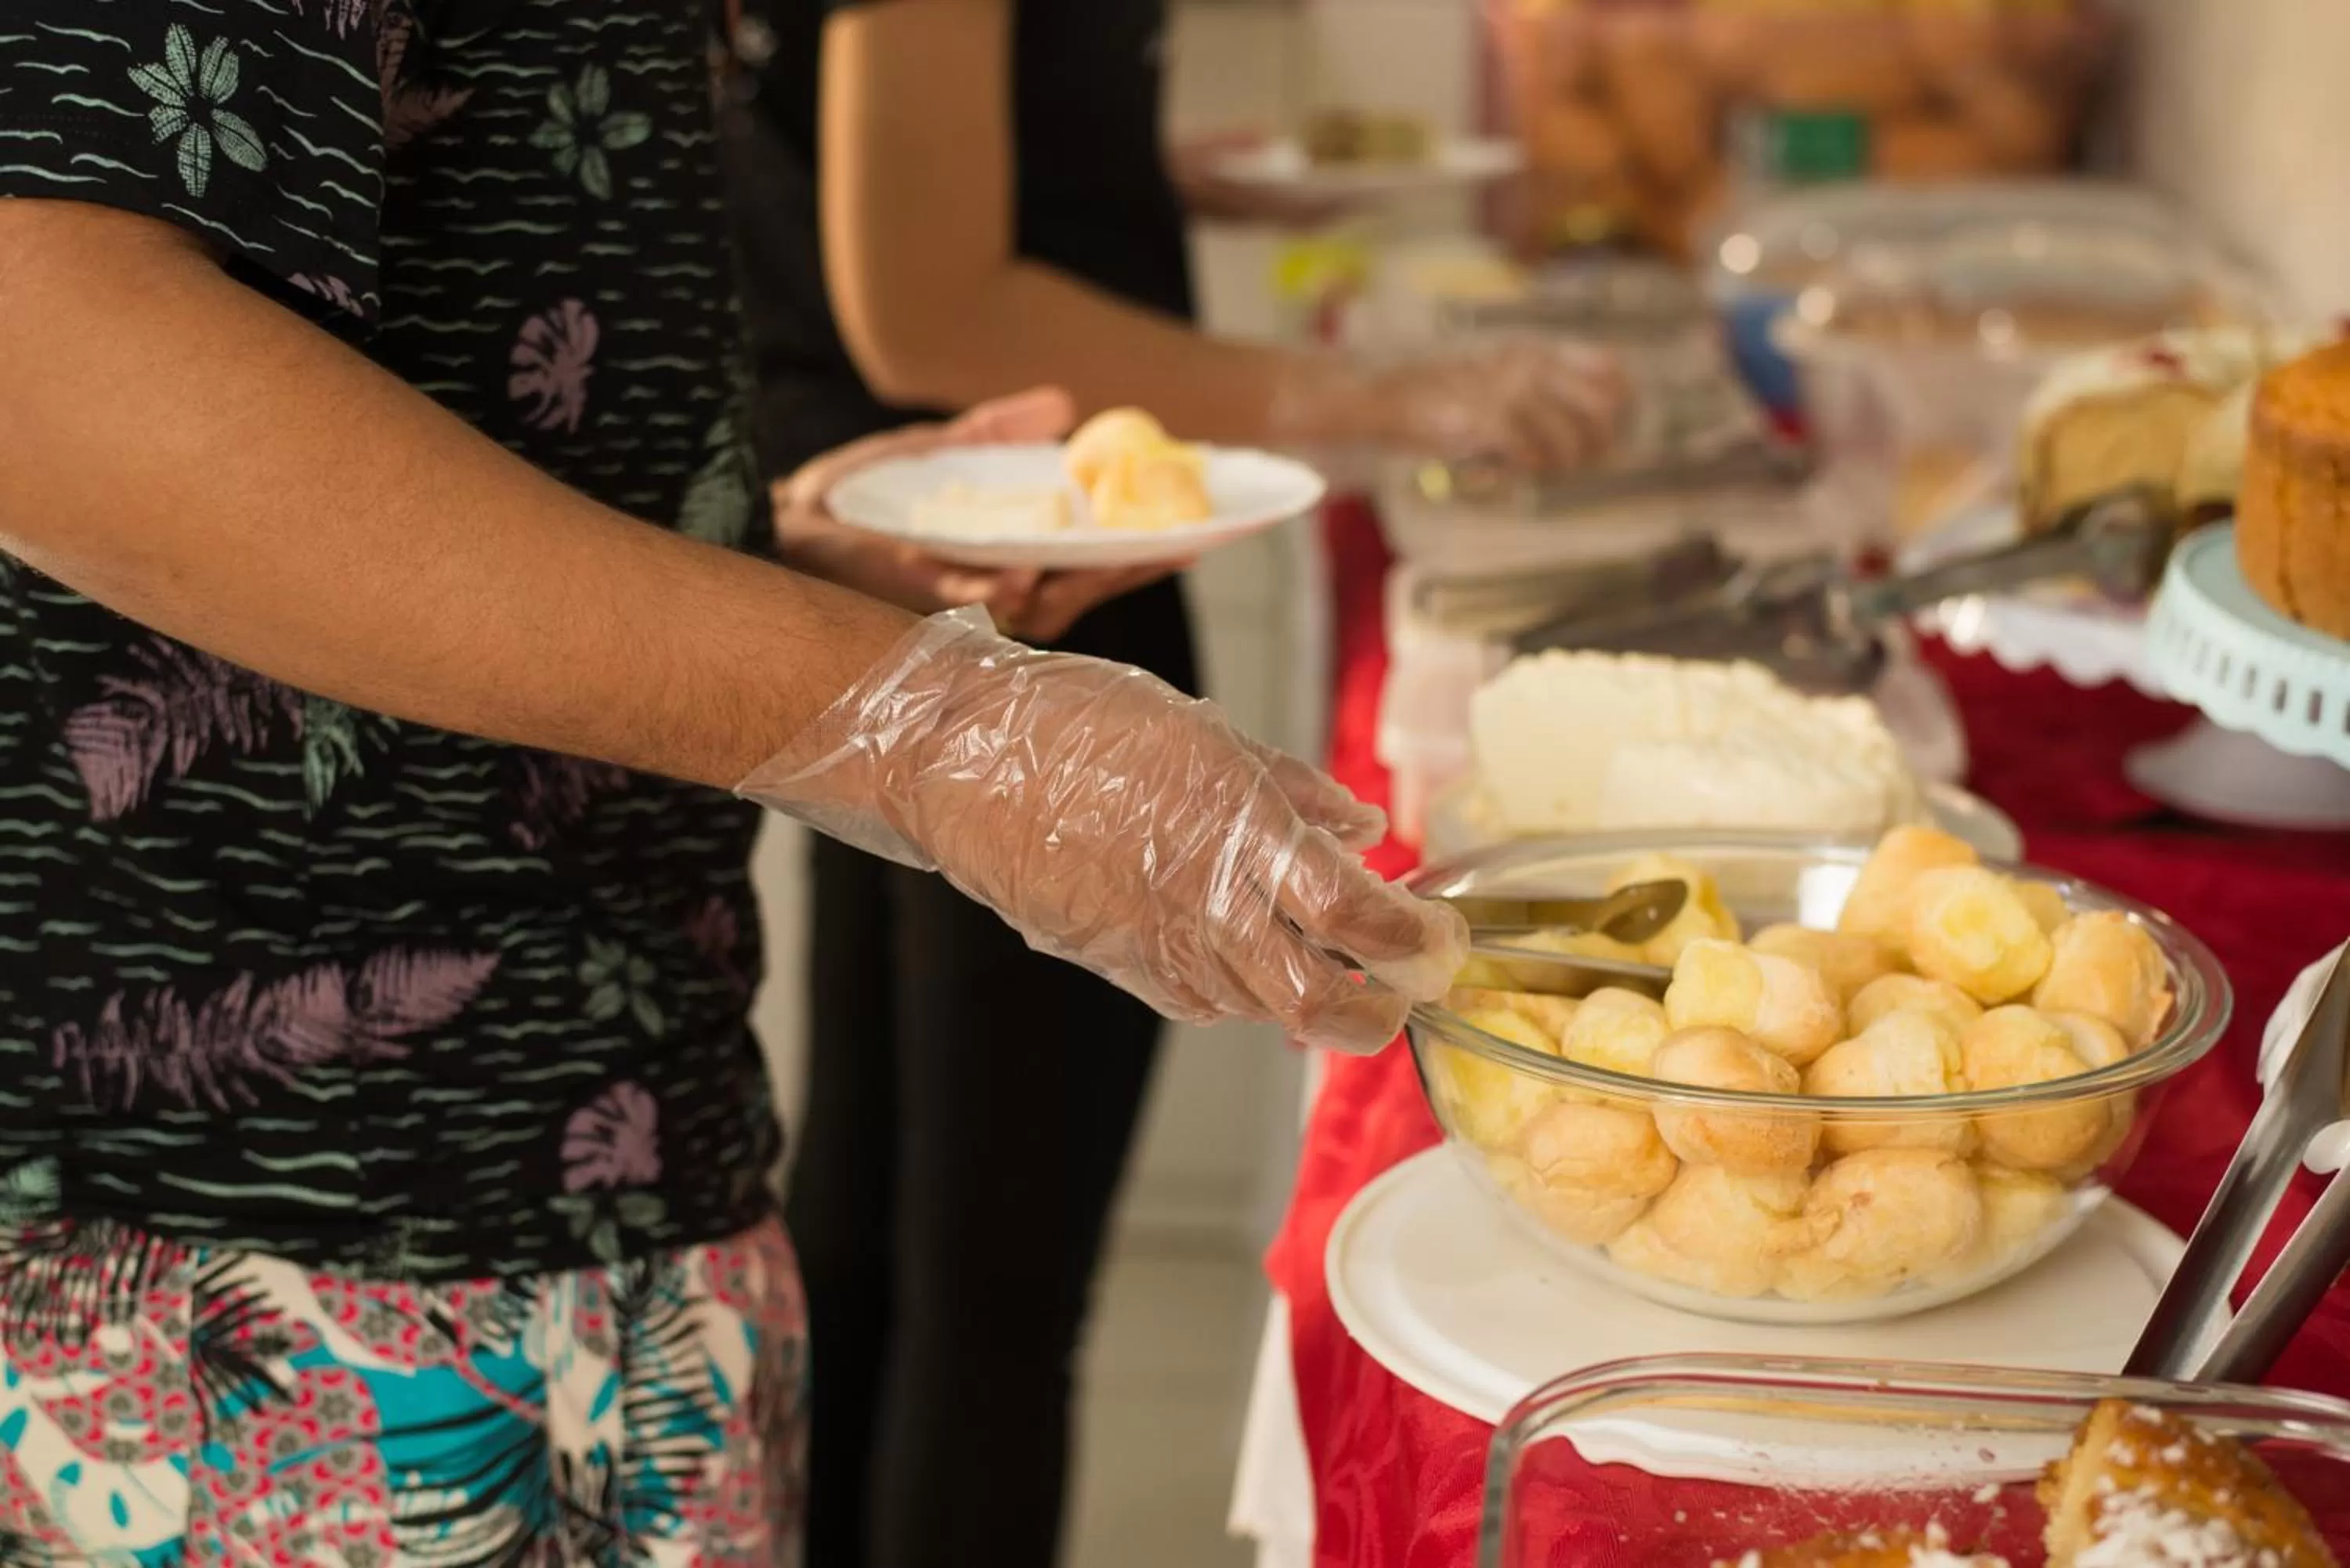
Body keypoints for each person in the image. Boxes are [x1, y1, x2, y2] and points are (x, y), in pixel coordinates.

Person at [0, 2, 1462, 1559]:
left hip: (598, 1138)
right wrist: (924, 731)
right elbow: (44, 348)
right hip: (315, 1242)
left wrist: (759, 545)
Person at [718, 4, 1623, 1565]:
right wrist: (1389, 398)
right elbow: (929, 306)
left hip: (907, 562)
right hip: (999, 562)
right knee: (995, 1279)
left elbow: (891, 162)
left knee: (883, 1224)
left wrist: (1132, 172)